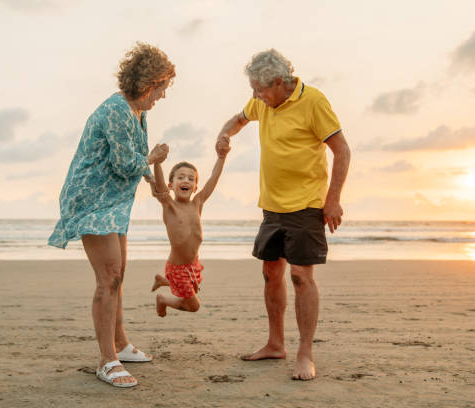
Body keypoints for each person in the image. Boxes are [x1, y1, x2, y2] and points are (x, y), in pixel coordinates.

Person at [215, 49, 351, 381]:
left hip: (306, 205)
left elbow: (342, 150)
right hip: (271, 206)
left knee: (301, 278)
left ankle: (305, 353)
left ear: (278, 82)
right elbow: (239, 118)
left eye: (260, 89)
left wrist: (332, 200)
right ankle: (276, 343)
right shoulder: (262, 102)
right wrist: (224, 134)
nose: (255, 96)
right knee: (271, 274)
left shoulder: (314, 101)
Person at [48, 42, 175, 388]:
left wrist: (153, 181)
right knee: (110, 277)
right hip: (92, 197)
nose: (163, 96)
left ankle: (120, 342)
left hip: (115, 198)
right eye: (163, 88)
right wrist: (153, 159)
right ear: (149, 82)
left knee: (119, 273)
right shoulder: (117, 110)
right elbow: (125, 163)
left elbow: (135, 155)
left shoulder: (139, 112)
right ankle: (107, 360)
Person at [148, 148, 229, 317]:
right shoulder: (169, 206)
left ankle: (163, 280)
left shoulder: (198, 203)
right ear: (171, 185)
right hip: (177, 268)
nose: (186, 180)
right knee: (193, 306)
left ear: (195, 187)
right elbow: (161, 187)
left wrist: (222, 157)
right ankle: (162, 299)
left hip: (193, 264)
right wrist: (157, 163)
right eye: (181, 177)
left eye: (191, 179)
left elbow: (214, 178)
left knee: (193, 290)